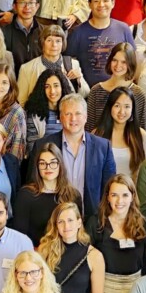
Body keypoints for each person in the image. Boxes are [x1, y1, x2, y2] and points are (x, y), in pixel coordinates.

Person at [37, 94, 116, 223]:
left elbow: (109, 187)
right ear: (60, 117)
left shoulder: (103, 147)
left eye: (78, 113)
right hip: (53, 220)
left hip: (91, 221)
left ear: (86, 117)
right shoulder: (43, 145)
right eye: (68, 114)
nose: (73, 118)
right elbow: (35, 184)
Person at [67, 0, 134, 89]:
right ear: (89, 4)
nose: (101, 5)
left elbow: (132, 61)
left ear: (113, 3)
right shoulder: (78, 32)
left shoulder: (123, 29)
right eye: (96, 1)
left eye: (105, 0)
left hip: (119, 92)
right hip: (88, 92)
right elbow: (68, 61)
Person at [96, 86, 146, 177]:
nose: (122, 111)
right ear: (110, 107)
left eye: (127, 106)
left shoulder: (140, 134)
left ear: (132, 109)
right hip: (106, 185)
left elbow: (143, 170)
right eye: (117, 106)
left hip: (131, 185)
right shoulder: (98, 134)